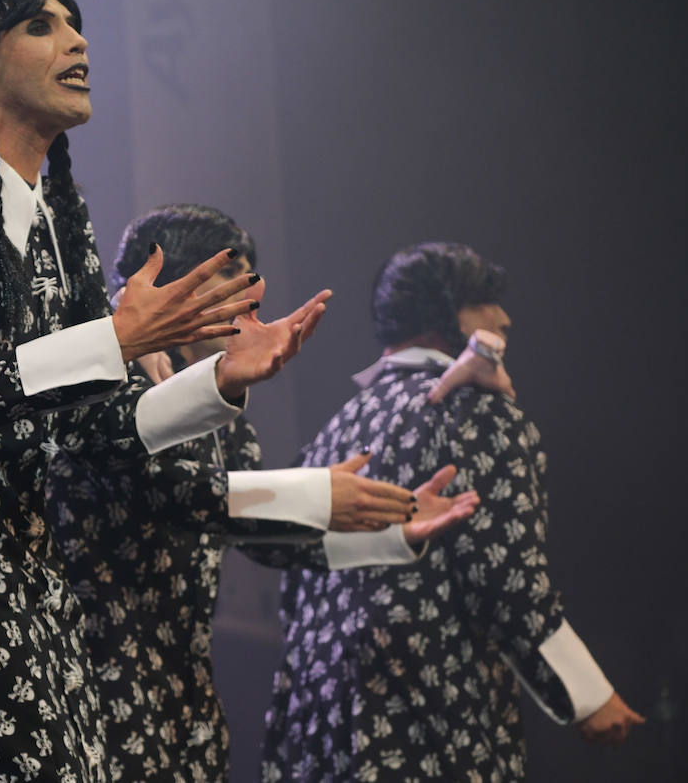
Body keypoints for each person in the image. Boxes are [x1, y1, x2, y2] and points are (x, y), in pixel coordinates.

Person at [0, 0, 336, 782]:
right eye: (41, 26)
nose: (77, 40)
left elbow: (93, 430)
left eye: (76, 24)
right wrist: (115, 338)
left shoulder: (65, 219)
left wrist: (218, 384)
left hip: (32, 579)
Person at [46, 205, 483, 783]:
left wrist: (390, 529)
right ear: (168, 281)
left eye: (254, 278)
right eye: (233, 276)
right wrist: (318, 495)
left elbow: (259, 532)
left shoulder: (216, 396)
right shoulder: (109, 368)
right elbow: (180, 493)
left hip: (179, 691)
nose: (254, 293)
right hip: (94, 681)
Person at [261, 241, 643, 782]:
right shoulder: (474, 408)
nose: (503, 316)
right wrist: (587, 694)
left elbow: (292, 581)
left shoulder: (339, 424)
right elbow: (507, 576)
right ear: (444, 316)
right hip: (429, 713)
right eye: (483, 299)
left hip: (319, 721)